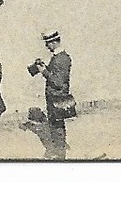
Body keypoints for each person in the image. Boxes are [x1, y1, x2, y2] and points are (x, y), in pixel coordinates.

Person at [31, 30, 74, 159]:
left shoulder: (61, 58)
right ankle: (58, 151)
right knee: (55, 125)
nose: (46, 46)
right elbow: (55, 75)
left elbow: (58, 82)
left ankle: (60, 154)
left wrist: (44, 71)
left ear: (54, 42)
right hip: (55, 97)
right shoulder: (58, 57)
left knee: (57, 127)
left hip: (58, 97)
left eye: (48, 43)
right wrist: (44, 67)